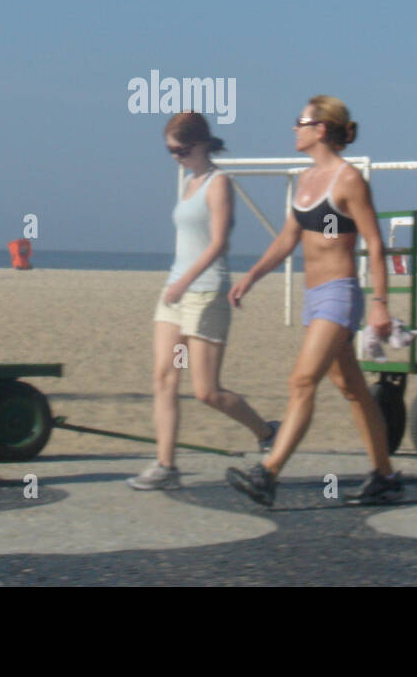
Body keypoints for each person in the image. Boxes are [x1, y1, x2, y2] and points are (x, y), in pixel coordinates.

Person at [225, 97, 401, 507]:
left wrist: (379, 303)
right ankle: (385, 475)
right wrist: (251, 276)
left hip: (340, 295)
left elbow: (375, 244)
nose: (294, 129)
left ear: (320, 129)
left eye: (299, 122)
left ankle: (268, 474)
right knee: (354, 389)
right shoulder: (305, 181)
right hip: (314, 297)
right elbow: (288, 238)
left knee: (302, 382)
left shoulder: (349, 180)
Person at [128, 113, 275, 489]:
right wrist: (174, 287)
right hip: (174, 296)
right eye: (169, 150)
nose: (174, 156)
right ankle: (166, 466)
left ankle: (265, 431)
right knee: (165, 376)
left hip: (205, 295)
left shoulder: (218, 183)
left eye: (179, 149)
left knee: (206, 390)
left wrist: (185, 284)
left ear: (200, 144)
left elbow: (218, 244)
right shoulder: (189, 183)